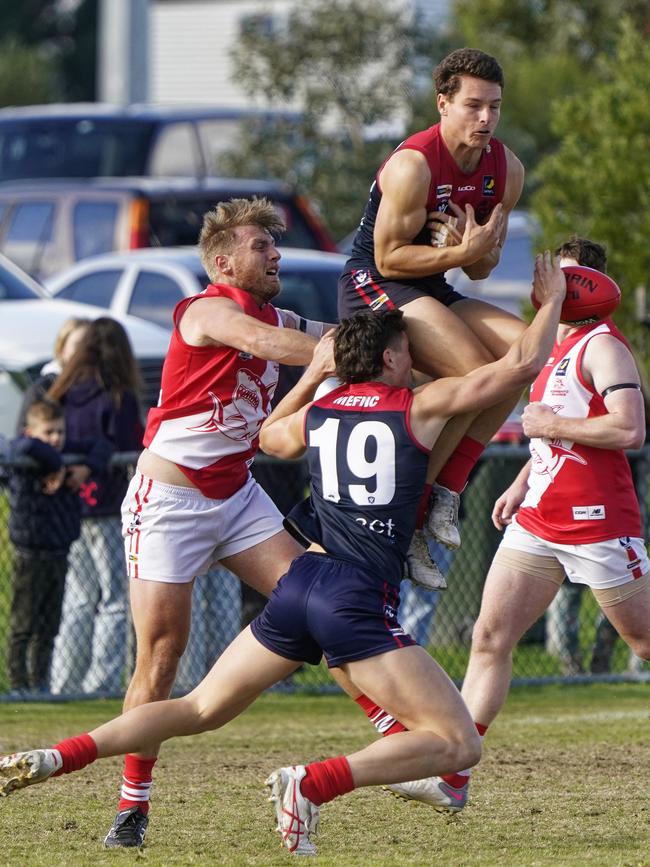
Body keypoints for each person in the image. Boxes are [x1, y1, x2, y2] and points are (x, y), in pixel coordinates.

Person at [0, 254, 566, 856]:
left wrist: (312, 378)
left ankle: (59, 755)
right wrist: (551, 300)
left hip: (300, 583)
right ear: (393, 359)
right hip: (350, 597)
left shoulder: (317, 413)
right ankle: (310, 783)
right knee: (458, 744)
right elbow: (520, 364)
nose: (414, 360)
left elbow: (269, 435)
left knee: (196, 706)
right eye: (407, 352)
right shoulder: (418, 408)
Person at [94, 196, 336, 848]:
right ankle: (131, 807)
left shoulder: (272, 312)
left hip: (234, 495)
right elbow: (272, 344)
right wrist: (332, 353)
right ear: (224, 259)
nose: (276, 253)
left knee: (323, 601)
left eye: (275, 244)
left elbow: (325, 333)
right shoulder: (208, 310)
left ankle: (401, 733)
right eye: (263, 245)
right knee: (162, 654)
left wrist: (403, 329)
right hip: (169, 500)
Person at [419, 236, 650, 810]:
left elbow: (628, 431)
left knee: (645, 644)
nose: (549, 287)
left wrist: (550, 423)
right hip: (539, 520)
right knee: (491, 638)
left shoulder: (605, 348)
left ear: (593, 286)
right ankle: (454, 772)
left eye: (565, 279)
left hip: (597, 521)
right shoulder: (551, 345)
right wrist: (522, 483)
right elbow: (552, 432)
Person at [338, 47, 526, 587]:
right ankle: (411, 513)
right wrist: (460, 254)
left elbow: (485, 266)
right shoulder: (413, 165)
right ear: (443, 103)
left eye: (494, 106)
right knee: (473, 374)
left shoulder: (506, 169)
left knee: (526, 358)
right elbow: (386, 257)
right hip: (372, 282)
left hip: (432, 281)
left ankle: (448, 486)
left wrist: (473, 250)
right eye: (473, 106)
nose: (486, 118)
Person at [47, 318, 145, 696]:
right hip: (107, 505)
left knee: (79, 599)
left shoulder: (63, 390)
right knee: (114, 600)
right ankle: (99, 683)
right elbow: (128, 440)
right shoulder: (115, 395)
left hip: (69, 508)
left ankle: (63, 682)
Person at [6, 400, 111, 695]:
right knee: (23, 623)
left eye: (60, 432)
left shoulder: (70, 454)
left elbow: (102, 446)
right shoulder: (27, 456)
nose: (56, 438)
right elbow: (23, 446)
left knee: (49, 625)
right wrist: (56, 463)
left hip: (60, 550)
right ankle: (18, 685)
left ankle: (40, 683)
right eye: (49, 432)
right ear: (32, 430)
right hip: (31, 553)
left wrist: (83, 468)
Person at [16, 317, 90, 434]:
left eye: (90, 346)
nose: (84, 351)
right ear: (62, 348)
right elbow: (22, 438)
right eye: (78, 345)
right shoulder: (43, 388)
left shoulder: (102, 388)